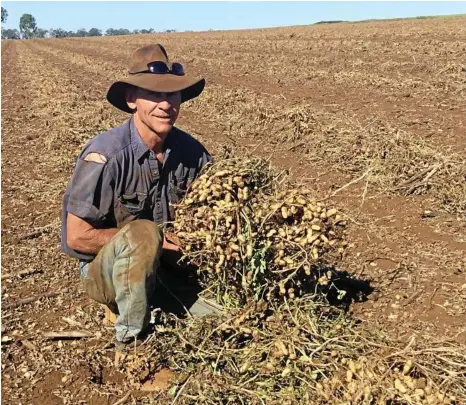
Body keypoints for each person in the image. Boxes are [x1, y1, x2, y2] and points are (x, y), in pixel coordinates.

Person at [61, 44, 212, 348]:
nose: (166, 104)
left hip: (167, 266)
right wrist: (151, 240)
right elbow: (75, 238)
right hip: (105, 273)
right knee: (143, 233)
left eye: (172, 95)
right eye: (155, 95)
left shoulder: (194, 154)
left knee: (224, 315)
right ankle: (131, 345)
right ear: (132, 100)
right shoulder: (105, 155)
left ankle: (151, 298)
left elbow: (209, 212)